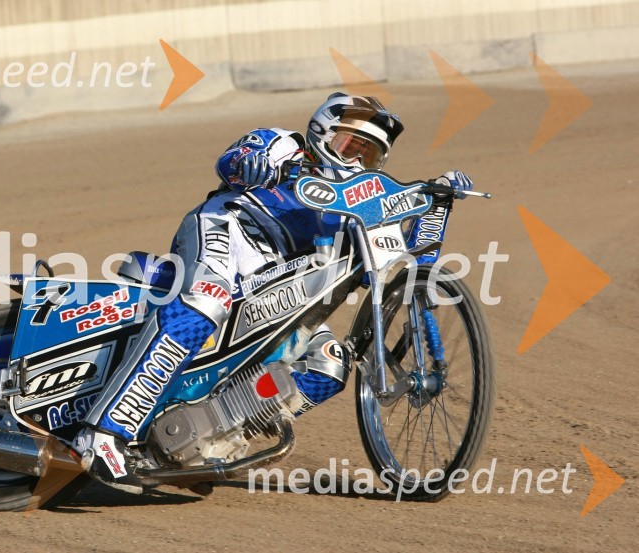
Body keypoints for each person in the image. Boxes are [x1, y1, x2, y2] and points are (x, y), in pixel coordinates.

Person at [73, 92, 474, 493]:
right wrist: (254, 164)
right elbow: (231, 162)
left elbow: (391, 273)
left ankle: (204, 439)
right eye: (348, 145)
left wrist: (436, 203)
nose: (353, 160)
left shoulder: (363, 206)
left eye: (366, 155)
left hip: (277, 295)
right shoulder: (286, 145)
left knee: (328, 366)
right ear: (322, 133)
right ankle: (105, 432)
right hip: (229, 231)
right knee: (208, 299)